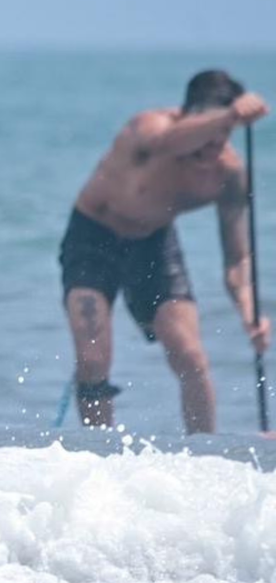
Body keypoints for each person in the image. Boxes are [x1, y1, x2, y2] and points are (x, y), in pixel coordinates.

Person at [60, 70, 270, 433]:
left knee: (191, 355)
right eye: (205, 133)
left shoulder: (229, 174)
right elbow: (167, 143)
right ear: (185, 114)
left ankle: (205, 456)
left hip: (153, 242)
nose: (211, 147)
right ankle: (100, 453)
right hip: (93, 238)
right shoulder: (149, 129)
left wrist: (250, 314)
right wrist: (230, 115)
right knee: (93, 360)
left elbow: (237, 259)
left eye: (221, 138)